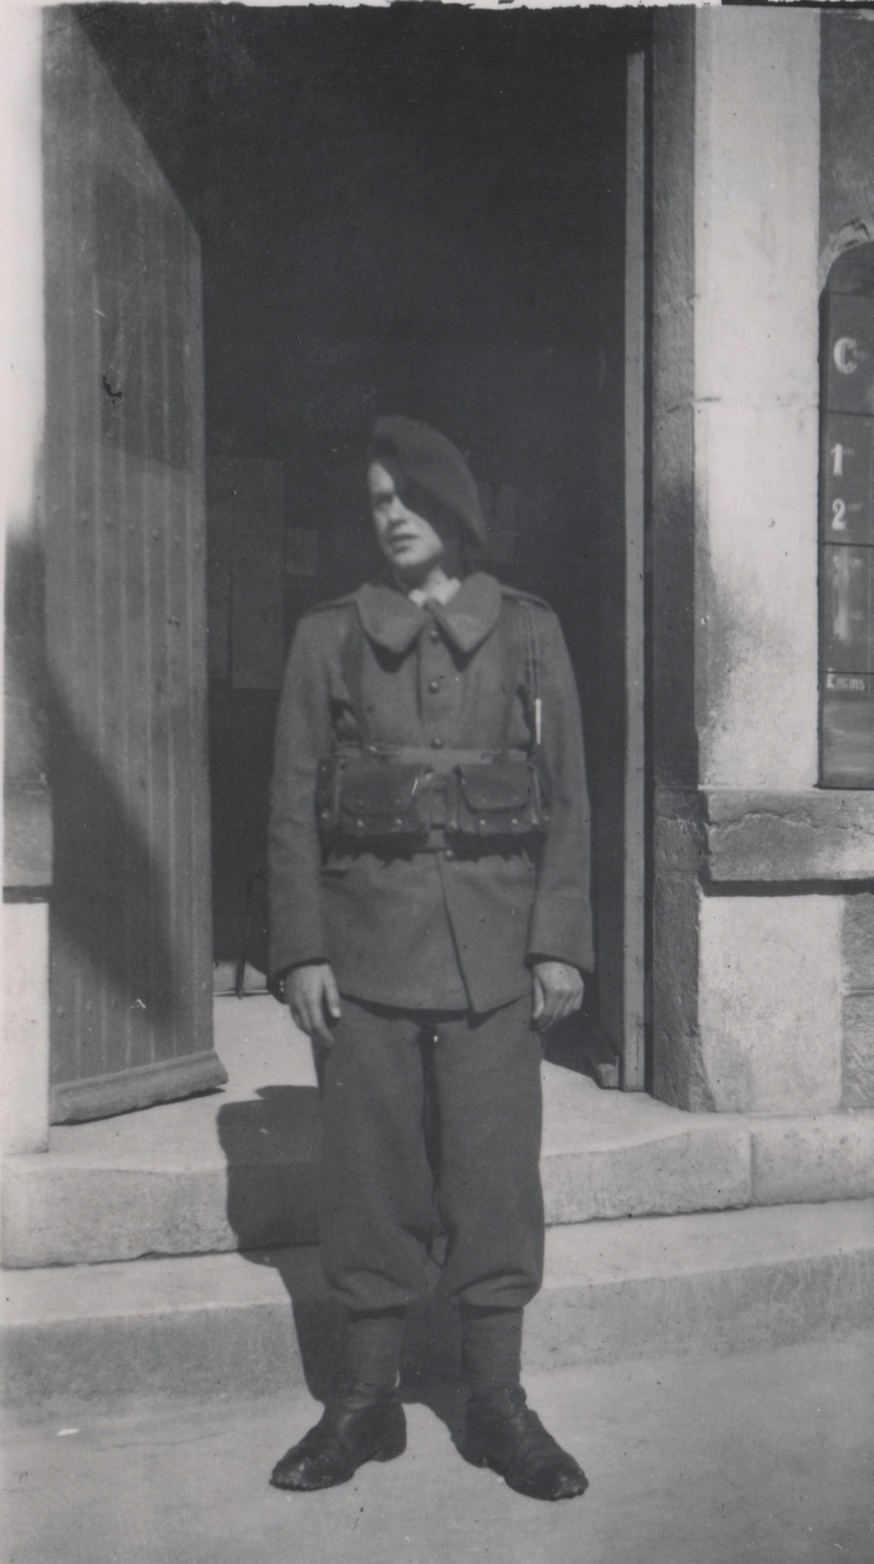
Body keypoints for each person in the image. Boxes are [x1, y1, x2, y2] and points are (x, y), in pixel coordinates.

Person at [266, 415, 593, 1502]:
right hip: (362, 953)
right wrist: (300, 949)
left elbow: (569, 804)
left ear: (454, 505)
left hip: (497, 955)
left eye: (407, 497)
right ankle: (362, 1409)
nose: (390, 516)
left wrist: (558, 940)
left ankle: (496, 1405)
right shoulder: (327, 636)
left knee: (494, 1177)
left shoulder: (532, 633)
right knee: (370, 1181)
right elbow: (288, 807)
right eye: (375, 502)